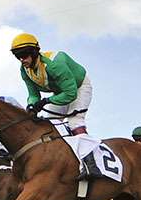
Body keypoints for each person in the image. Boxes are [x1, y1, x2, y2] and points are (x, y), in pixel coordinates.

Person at [10, 33, 95, 178]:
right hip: (61, 91)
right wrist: (31, 106)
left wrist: (46, 101)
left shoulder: (54, 65)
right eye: (17, 56)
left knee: (75, 122)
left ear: (33, 52)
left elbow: (70, 94)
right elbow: (34, 94)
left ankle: (91, 163)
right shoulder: (25, 70)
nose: (21, 59)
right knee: (49, 125)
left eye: (23, 54)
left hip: (78, 88)